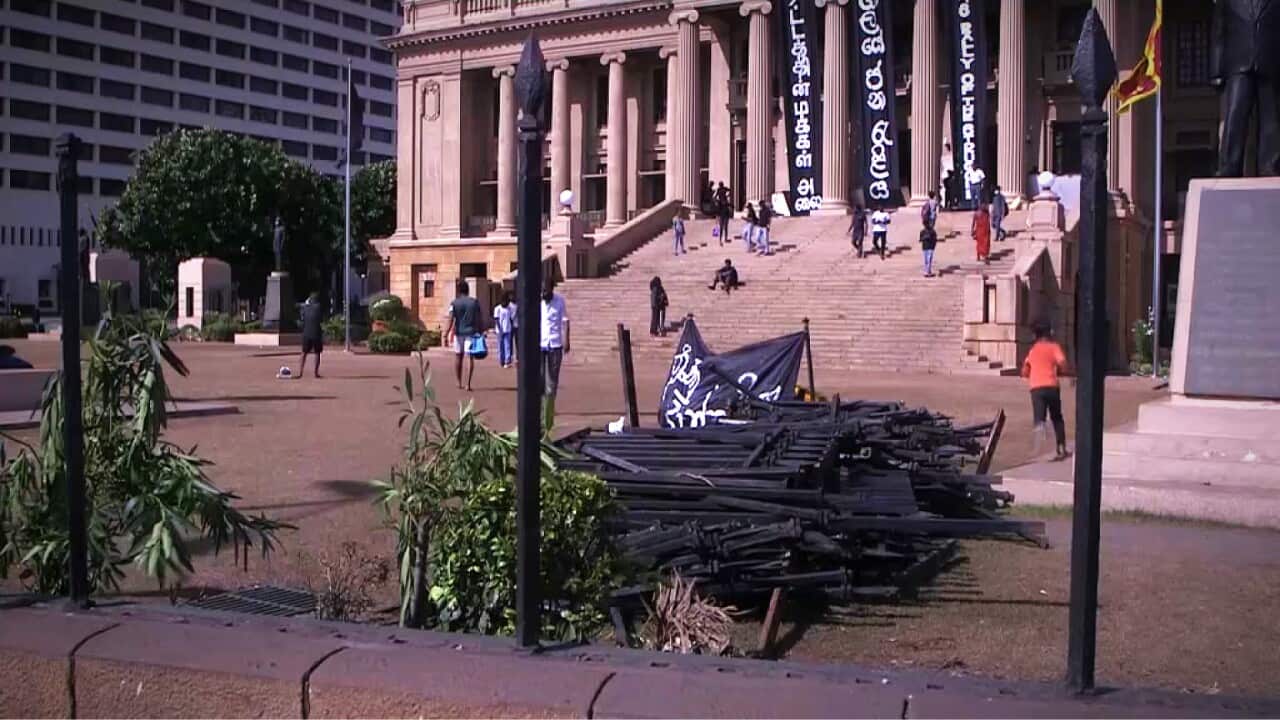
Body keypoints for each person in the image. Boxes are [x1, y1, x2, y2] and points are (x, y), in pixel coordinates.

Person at [1021, 319, 1070, 461]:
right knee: (1057, 417)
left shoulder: (1033, 350)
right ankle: (1061, 447)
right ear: (1049, 332)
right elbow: (1063, 363)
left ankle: (1038, 450)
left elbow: (1025, 370)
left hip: (1036, 388)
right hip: (1052, 386)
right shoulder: (1054, 347)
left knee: (1039, 419)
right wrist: (1062, 371)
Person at [540, 277, 570, 423]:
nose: (543, 293)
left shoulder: (559, 301)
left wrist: (566, 339)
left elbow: (565, 321)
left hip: (555, 345)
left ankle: (549, 409)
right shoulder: (538, 302)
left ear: (552, 289)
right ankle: (541, 410)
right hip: (540, 345)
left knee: (551, 381)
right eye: (542, 290)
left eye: (546, 290)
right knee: (539, 380)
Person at [445, 279, 482, 391]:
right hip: (471, 332)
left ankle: (458, 381)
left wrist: (445, 334)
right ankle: (468, 383)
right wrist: (480, 330)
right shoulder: (474, 302)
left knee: (458, 357)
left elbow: (451, 319)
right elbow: (479, 318)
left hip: (458, 333)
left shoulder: (454, 303)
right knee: (469, 357)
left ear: (459, 290)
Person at [297, 292, 324, 379]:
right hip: (316, 333)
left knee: (304, 353)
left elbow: (302, 319)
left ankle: (300, 372)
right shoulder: (319, 307)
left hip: (306, 333)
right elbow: (321, 319)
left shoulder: (305, 308)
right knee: (317, 353)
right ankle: (315, 373)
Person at [493, 291, 516, 369]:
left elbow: (511, 318)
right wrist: (500, 329)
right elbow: (496, 319)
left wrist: (511, 327)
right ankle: (501, 360)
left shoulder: (509, 308)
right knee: (500, 346)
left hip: (508, 329)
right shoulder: (497, 308)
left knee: (507, 346)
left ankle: (507, 361)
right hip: (500, 330)